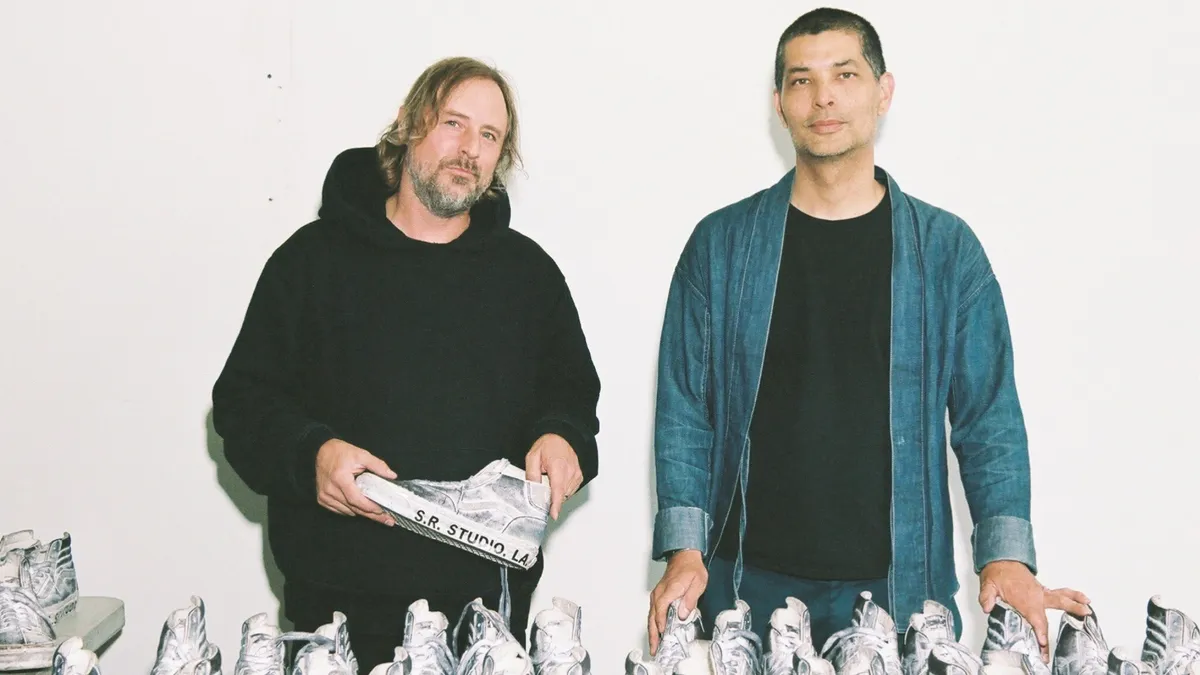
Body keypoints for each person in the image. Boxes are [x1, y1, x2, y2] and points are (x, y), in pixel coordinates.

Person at [647, 7, 1088, 660]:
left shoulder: (945, 252)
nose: (823, 96)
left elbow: (988, 417)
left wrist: (1005, 559)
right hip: (748, 589)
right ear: (779, 103)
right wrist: (685, 551)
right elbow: (686, 409)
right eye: (801, 80)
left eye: (845, 75)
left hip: (898, 593)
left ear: (883, 92)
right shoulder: (722, 247)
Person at [211, 56, 601, 667]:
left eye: (490, 135)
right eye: (454, 122)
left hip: (487, 618)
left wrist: (563, 438)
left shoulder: (529, 277)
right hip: (335, 616)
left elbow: (571, 398)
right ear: (408, 124)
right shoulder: (309, 263)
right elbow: (243, 404)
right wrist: (311, 455)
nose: (470, 148)